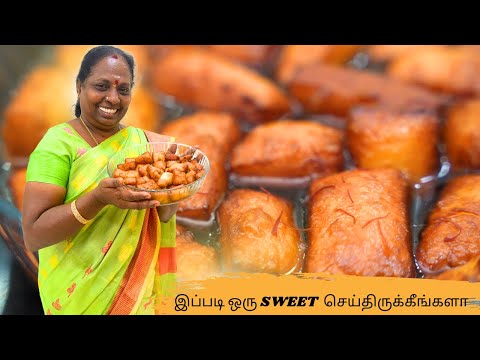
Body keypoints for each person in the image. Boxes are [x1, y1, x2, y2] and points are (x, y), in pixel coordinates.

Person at [22, 45, 178, 315]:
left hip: (139, 295)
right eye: (102, 86)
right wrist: (97, 199)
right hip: (77, 297)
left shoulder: (149, 145)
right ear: (79, 86)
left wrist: (172, 189)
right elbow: (34, 235)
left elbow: (164, 216)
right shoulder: (57, 145)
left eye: (123, 89)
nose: (113, 98)